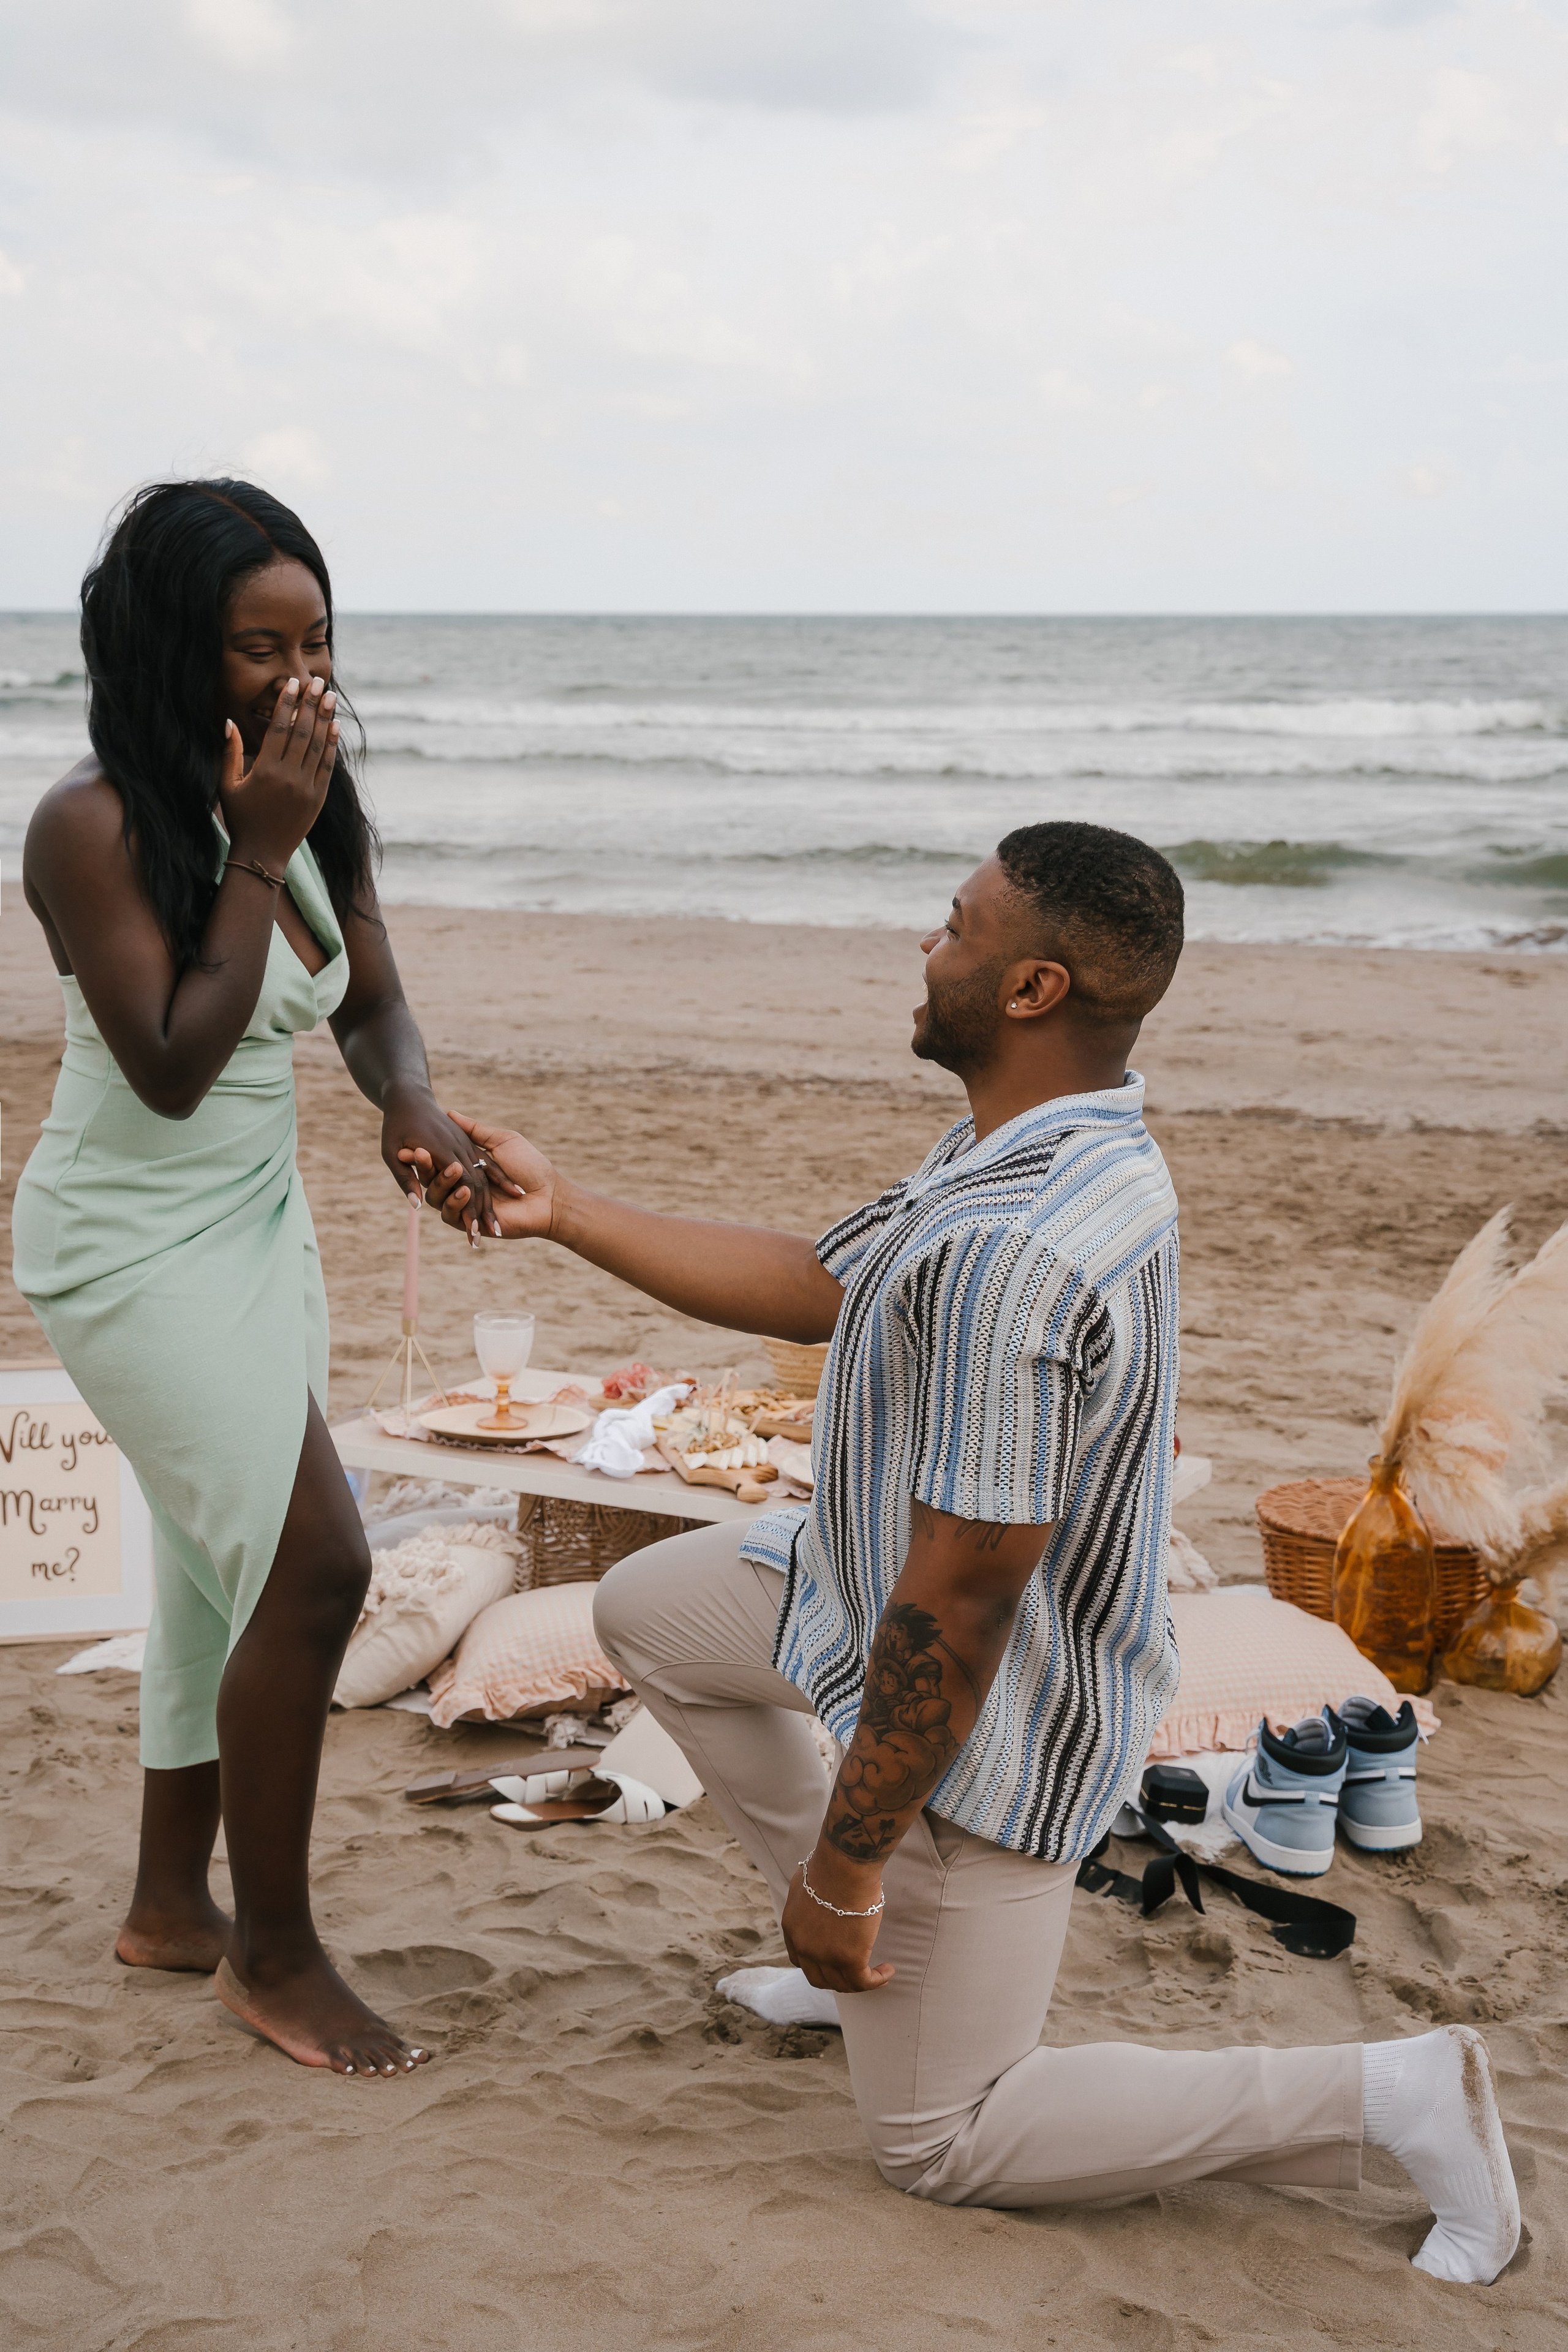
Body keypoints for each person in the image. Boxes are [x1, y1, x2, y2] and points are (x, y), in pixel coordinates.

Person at [425, 820, 1519, 2283]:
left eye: (953, 924)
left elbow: (961, 1607)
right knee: (648, 1612)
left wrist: (845, 1866)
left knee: (942, 2141)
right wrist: (563, 1214)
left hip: (989, 1716)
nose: (925, 945)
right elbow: (829, 1281)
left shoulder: (1017, 1255)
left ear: (1029, 988)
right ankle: (871, 1967)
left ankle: (1393, 2098)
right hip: (848, 1583)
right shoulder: (1046, 1141)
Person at [13, 480, 504, 2077]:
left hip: (254, 1224)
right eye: (259, 648)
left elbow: (370, 998)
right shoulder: (90, 826)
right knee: (315, 1566)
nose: (303, 682)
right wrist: (258, 846)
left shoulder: (304, 792)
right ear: (171, 647)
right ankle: (273, 1957)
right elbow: (171, 1064)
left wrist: (409, 1103)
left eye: (319, 643)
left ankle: (171, 1905)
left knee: (212, 1572)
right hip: (126, 1244)